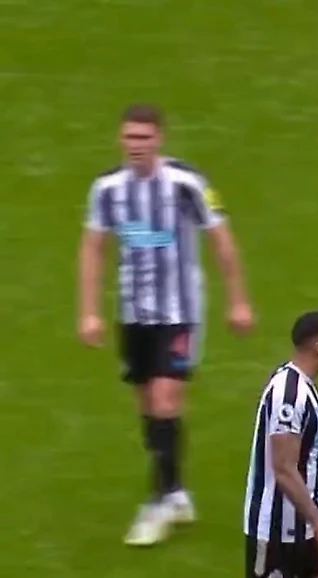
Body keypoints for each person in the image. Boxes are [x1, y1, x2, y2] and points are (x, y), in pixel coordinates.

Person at [77, 103, 254, 546]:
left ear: (159, 139)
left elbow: (221, 240)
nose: (136, 145)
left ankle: (159, 500)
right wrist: (89, 311)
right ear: (120, 139)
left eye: (144, 137)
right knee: (148, 406)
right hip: (133, 313)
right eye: (129, 137)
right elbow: (93, 248)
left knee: (165, 396)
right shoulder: (107, 189)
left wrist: (237, 300)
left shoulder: (187, 182)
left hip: (180, 312)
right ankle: (175, 491)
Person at [243, 311, 318, 578]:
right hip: (277, 534)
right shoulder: (289, 394)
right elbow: (284, 468)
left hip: (309, 525)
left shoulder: (305, 387)